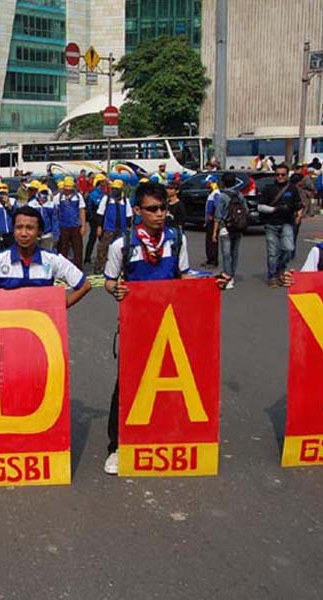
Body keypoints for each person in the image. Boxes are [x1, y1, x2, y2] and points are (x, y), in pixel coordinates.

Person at [102, 182, 230, 474]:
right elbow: (109, 281)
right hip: (137, 325)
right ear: (137, 211)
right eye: (152, 209)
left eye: (163, 208)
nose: (160, 214)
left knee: (171, 381)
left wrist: (212, 282)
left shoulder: (177, 238)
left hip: (171, 322)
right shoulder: (122, 244)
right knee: (126, 386)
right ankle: (118, 446)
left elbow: (184, 276)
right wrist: (116, 290)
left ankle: (166, 434)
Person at [0, 205, 91, 305]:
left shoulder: (53, 260)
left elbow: (84, 285)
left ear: (39, 232)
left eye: (30, 228)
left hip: (41, 332)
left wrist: (62, 305)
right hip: (5, 331)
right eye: (19, 228)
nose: (23, 233)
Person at [260, 163, 303, 287]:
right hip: (271, 224)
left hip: (287, 223)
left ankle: (281, 268)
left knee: (289, 249)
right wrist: (274, 209)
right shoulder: (268, 189)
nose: (280, 177)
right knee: (272, 252)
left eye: (283, 174)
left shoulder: (292, 189)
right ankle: (272, 275)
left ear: (287, 175)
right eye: (277, 174)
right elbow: (260, 206)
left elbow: (299, 205)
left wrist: (297, 214)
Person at [213, 173, 247, 289]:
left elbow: (218, 215)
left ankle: (228, 276)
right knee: (234, 252)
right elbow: (245, 210)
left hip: (225, 227)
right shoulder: (239, 195)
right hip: (237, 227)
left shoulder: (221, 196)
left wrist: (214, 232)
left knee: (226, 254)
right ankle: (231, 274)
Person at [94, 180, 132, 274]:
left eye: (117, 189)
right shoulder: (106, 199)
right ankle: (100, 267)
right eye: (113, 189)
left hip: (121, 230)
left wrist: (127, 228)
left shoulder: (125, 201)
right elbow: (100, 213)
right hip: (109, 228)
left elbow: (129, 215)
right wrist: (99, 226)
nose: (115, 191)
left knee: (122, 250)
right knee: (103, 248)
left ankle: (121, 268)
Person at [56, 176, 87, 269]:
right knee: (63, 249)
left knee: (78, 249)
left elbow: (82, 210)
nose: (68, 191)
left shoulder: (78, 196)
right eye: (66, 188)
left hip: (76, 226)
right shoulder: (58, 197)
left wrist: (83, 226)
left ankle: (78, 269)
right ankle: (62, 269)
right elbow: (55, 213)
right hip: (63, 227)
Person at [85, 175, 108, 264]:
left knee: (102, 239)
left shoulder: (103, 192)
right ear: (99, 182)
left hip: (100, 218)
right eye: (103, 181)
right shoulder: (94, 193)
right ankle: (87, 258)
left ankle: (102, 258)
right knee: (93, 238)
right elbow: (97, 204)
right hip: (94, 219)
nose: (105, 183)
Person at [203, 175, 220, 267]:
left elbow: (217, 207)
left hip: (213, 221)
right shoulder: (211, 193)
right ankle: (209, 259)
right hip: (209, 221)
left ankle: (213, 260)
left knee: (213, 240)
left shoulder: (216, 193)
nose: (206, 184)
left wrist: (212, 215)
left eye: (207, 182)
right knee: (208, 240)